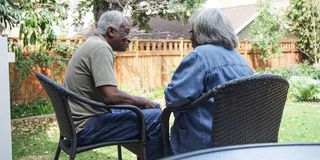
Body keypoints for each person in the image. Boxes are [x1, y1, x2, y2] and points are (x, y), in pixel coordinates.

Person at [64, 10, 163, 160]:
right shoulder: (101, 48)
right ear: (111, 31)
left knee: (148, 111)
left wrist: (139, 104)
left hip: (78, 124)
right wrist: (143, 100)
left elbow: (108, 95)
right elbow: (110, 96)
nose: (128, 39)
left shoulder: (92, 43)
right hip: (86, 128)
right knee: (155, 116)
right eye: (126, 32)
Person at [164, 8, 254, 154]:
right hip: (237, 140)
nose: (190, 38)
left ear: (202, 32)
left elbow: (173, 98)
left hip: (204, 143)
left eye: (192, 33)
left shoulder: (199, 56)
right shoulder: (240, 60)